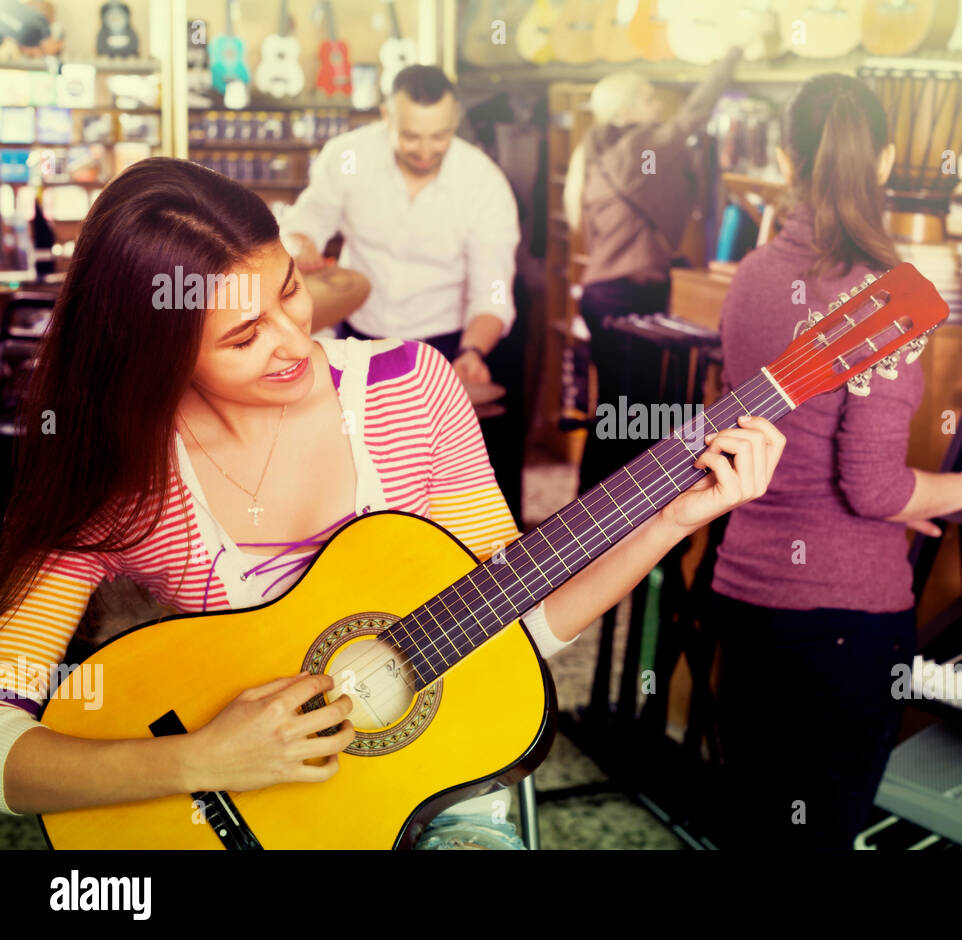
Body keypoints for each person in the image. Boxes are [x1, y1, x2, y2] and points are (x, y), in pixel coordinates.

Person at [0, 158, 787, 849]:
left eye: (290, 291)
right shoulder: (119, 469)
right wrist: (204, 758)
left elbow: (514, 635)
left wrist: (673, 519)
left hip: (433, 798)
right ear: (153, 353)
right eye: (244, 338)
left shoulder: (410, 391)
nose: (293, 340)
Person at [709, 74, 962, 850]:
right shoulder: (886, 295)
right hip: (843, 621)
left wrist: (910, 499)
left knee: (759, 829)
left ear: (789, 159)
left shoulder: (750, 277)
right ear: (885, 161)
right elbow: (871, 486)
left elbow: (780, 441)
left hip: (747, 596)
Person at [563, 47, 742, 491]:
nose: (656, 105)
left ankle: (591, 521)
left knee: (620, 415)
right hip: (625, 298)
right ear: (626, 109)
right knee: (629, 419)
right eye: (646, 97)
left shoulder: (598, 149)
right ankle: (604, 525)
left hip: (606, 294)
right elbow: (693, 116)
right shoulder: (640, 145)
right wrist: (732, 53)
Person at [281, 65, 515, 388]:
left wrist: (473, 352)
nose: (425, 151)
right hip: (356, 338)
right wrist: (299, 244)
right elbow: (303, 225)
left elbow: (493, 290)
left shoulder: (485, 183)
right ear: (386, 116)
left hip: (443, 346)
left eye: (439, 136)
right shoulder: (347, 156)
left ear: (455, 120)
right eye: (411, 136)